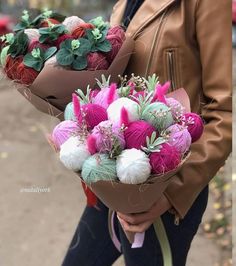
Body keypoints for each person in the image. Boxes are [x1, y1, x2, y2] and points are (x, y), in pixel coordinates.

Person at [62, 0, 232, 265]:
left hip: (160, 187)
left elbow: (222, 113)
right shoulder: (123, 4)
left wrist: (169, 193)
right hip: (112, 176)